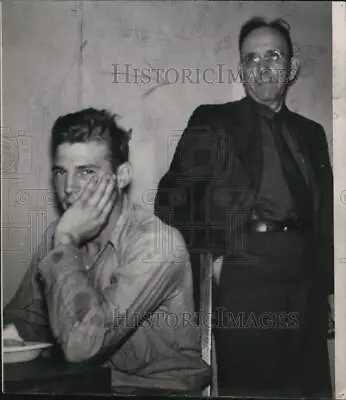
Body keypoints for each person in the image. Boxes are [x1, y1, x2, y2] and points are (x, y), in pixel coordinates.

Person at [154, 17, 334, 397]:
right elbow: (170, 202)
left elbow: (325, 218)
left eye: (273, 55)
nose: (262, 66)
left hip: (305, 277)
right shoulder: (214, 121)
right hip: (244, 272)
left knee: (310, 387)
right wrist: (213, 261)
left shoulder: (313, 134)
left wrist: (328, 289)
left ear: (292, 67)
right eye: (251, 58)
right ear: (241, 69)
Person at [3, 108, 211, 395]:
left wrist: (66, 243)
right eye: (61, 172)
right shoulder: (57, 233)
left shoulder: (156, 243)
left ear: (121, 175)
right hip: (83, 387)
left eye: (86, 172)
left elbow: (82, 346)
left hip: (157, 392)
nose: (69, 188)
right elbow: (23, 319)